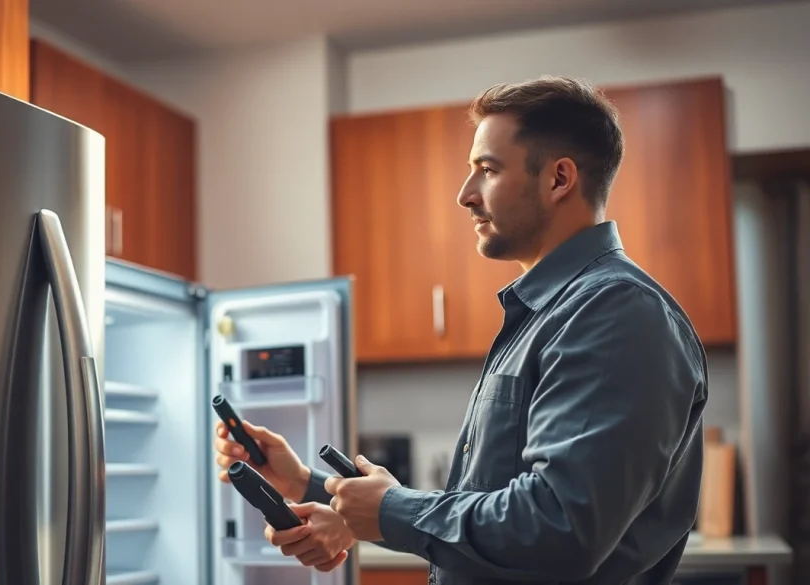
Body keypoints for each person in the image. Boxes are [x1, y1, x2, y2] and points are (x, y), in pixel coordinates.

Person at [213, 75, 708, 585]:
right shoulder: (547, 314)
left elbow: (558, 527)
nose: (464, 195)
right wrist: (307, 484)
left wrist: (391, 510)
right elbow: (489, 515)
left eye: (487, 170)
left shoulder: (615, 312)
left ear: (559, 179)